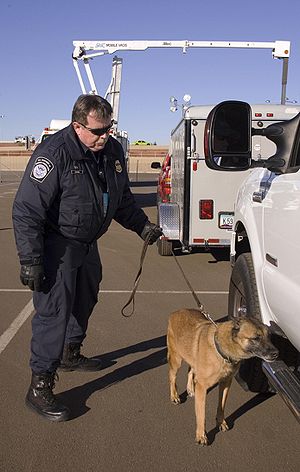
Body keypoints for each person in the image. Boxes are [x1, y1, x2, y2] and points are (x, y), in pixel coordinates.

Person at [12, 94, 162, 422]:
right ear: (77, 126)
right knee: (53, 313)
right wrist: (30, 258)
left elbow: (121, 199)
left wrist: (143, 227)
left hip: (87, 243)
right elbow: (26, 210)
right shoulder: (54, 153)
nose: (104, 136)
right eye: (97, 131)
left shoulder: (111, 151)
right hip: (56, 246)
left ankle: (69, 352)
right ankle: (39, 386)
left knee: (85, 298)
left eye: (109, 128)